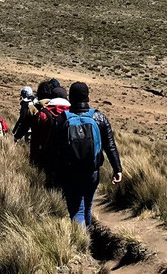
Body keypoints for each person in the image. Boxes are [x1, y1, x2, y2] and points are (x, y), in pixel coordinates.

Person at [53, 81, 123, 228]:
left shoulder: (61, 119)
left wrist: (52, 172)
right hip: (92, 172)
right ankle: (89, 239)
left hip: (69, 172)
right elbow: (110, 146)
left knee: (77, 209)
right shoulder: (99, 118)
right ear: (88, 99)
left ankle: (82, 245)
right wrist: (117, 169)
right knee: (88, 206)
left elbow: (51, 149)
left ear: (70, 99)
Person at [29, 79, 70, 178]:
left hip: (46, 155)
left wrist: (33, 158)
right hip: (69, 158)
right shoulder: (73, 113)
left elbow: (35, 138)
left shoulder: (42, 113)